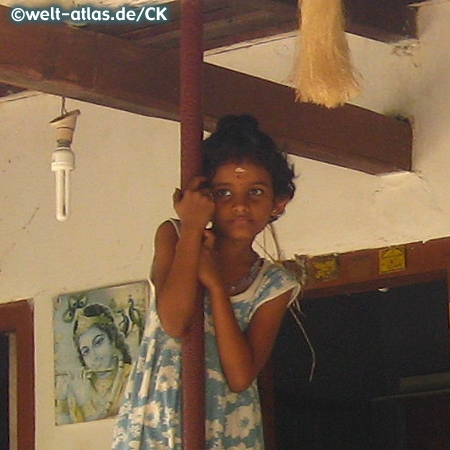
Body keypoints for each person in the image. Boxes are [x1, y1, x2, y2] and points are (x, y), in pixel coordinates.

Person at [111, 114, 300, 449]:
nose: (240, 205)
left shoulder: (273, 284)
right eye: (224, 192)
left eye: (255, 192)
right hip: (158, 416)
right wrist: (192, 228)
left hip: (225, 427)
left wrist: (214, 285)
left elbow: (241, 376)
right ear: (206, 199)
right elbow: (173, 320)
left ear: (278, 203)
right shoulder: (175, 234)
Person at [56, 303, 132, 424]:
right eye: (86, 352)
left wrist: (84, 401)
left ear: (112, 340)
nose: (94, 357)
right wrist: (62, 400)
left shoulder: (133, 378)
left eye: (98, 342)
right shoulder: (79, 384)